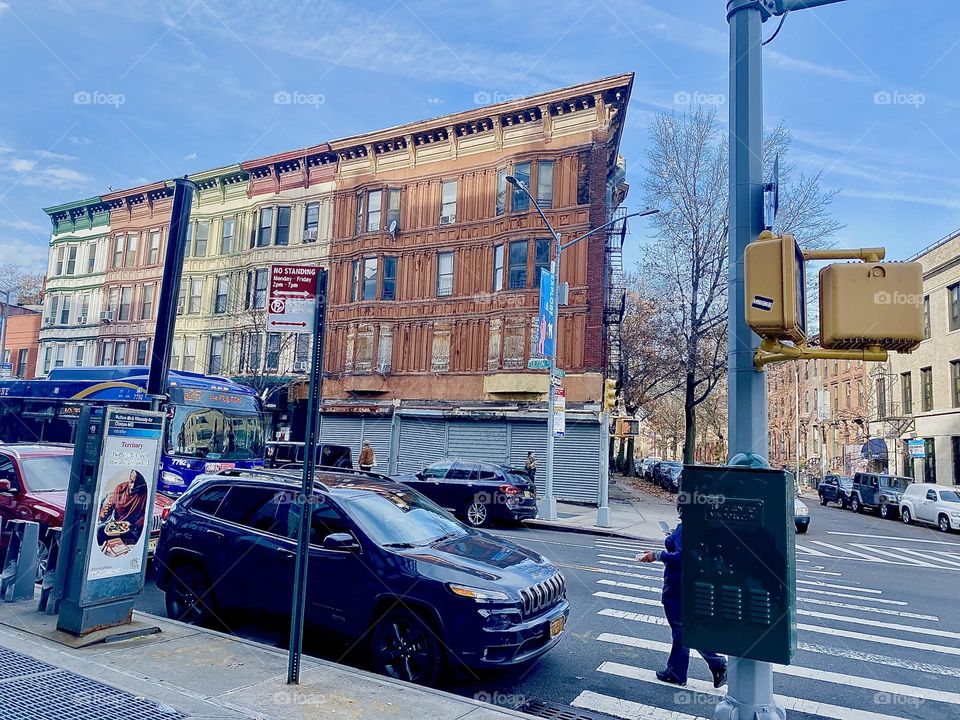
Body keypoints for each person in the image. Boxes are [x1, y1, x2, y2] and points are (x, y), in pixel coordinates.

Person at [638, 499, 727, 689]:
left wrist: (657, 555)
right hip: (691, 583)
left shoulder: (684, 529)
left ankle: (708, 665)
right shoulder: (701, 527)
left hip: (677, 584)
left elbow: (682, 557)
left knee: (681, 628)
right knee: (685, 628)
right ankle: (682, 669)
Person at [97, 469, 149, 547]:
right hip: (117, 526)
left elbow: (146, 516)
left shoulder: (145, 493)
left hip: (134, 528)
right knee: (99, 530)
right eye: (131, 481)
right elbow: (110, 505)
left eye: (137, 484)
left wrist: (136, 525)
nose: (132, 486)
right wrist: (104, 512)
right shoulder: (120, 488)